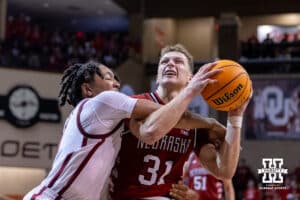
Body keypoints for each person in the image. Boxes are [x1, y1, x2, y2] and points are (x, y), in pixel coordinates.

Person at [23, 58, 221, 200]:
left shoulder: (95, 117)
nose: (116, 83)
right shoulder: (103, 101)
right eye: (109, 77)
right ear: (88, 90)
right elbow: (174, 116)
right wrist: (209, 120)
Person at [111, 44, 252, 199]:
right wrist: (191, 92)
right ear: (158, 76)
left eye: (178, 61)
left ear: (190, 78)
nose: (170, 64)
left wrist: (235, 118)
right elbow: (151, 132)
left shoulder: (195, 127)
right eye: (164, 62)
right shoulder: (135, 103)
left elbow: (224, 171)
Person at [169, 151, 235, 200]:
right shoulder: (191, 157)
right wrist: (186, 191)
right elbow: (179, 180)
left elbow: (228, 187)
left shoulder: (217, 158)